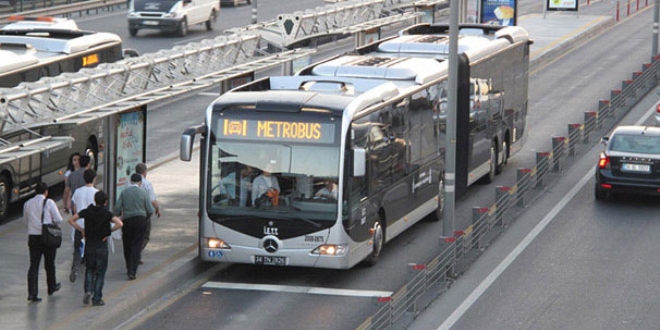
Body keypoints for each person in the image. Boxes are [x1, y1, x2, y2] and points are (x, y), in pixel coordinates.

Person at [69, 191, 123, 307]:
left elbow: (71, 220)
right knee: (100, 273)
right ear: (105, 202)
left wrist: (82, 230)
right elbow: (120, 223)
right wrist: (108, 232)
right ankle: (97, 298)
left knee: (89, 270)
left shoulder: (87, 211)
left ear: (95, 200)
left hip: (89, 246)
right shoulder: (107, 214)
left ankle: (88, 290)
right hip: (101, 247)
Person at [23, 182, 63, 302]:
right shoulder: (49, 202)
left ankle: (32, 293)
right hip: (47, 237)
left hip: (33, 237)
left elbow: (26, 221)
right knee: (49, 263)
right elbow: (59, 219)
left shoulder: (27, 203)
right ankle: (51, 286)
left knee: (34, 265)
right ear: (46, 192)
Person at [114, 173, 154, 280]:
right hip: (140, 220)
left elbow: (117, 208)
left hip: (127, 220)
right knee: (136, 245)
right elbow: (150, 210)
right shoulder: (143, 193)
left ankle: (128, 267)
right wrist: (146, 218)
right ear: (140, 182)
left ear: (131, 181)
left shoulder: (124, 192)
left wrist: (116, 216)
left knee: (127, 244)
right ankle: (133, 271)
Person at [71, 169, 99, 289]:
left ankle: (75, 267)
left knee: (78, 248)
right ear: (94, 179)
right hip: (92, 227)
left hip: (79, 224)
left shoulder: (77, 191)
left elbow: (74, 208)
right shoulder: (96, 193)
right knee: (91, 252)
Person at [67, 155, 91, 283]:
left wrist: (68, 207)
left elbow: (68, 194)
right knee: (89, 243)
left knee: (77, 245)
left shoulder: (72, 175)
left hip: (78, 218)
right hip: (88, 220)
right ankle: (86, 261)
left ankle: (75, 266)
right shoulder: (93, 191)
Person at [135, 163, 160, 263]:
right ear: (145, 173)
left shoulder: (129, 183)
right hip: (143, 213)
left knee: (134, 235)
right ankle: (136, 252)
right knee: (145, 235)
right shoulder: (147, 184)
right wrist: (157, 209)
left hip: (131, 213)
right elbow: (153, 201)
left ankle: (136, 255)